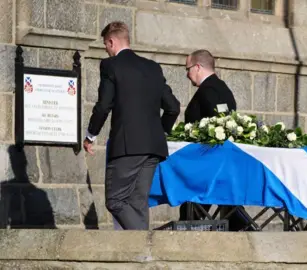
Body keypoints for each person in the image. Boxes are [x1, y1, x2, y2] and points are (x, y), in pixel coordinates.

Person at [84, 21, 180, 230]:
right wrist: (159, 130)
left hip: (128, 147)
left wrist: (91, 135)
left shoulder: (111, 66)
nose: (107, 51)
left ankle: (147, 244)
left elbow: (103, 106)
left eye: (106, 46)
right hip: (154, 147)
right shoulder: (153, 68)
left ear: (111, 42)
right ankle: (140, 258)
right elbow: (173, 107)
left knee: (116, 200)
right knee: (137, 204)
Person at [180, 49, 249, 231]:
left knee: (193, 210)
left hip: (206, 163)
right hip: (221, 164)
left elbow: (215, 123)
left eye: (187, 69)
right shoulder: (223, 88)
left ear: (197, 67)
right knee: (225, 206)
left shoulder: (207, 91)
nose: (187, 74)